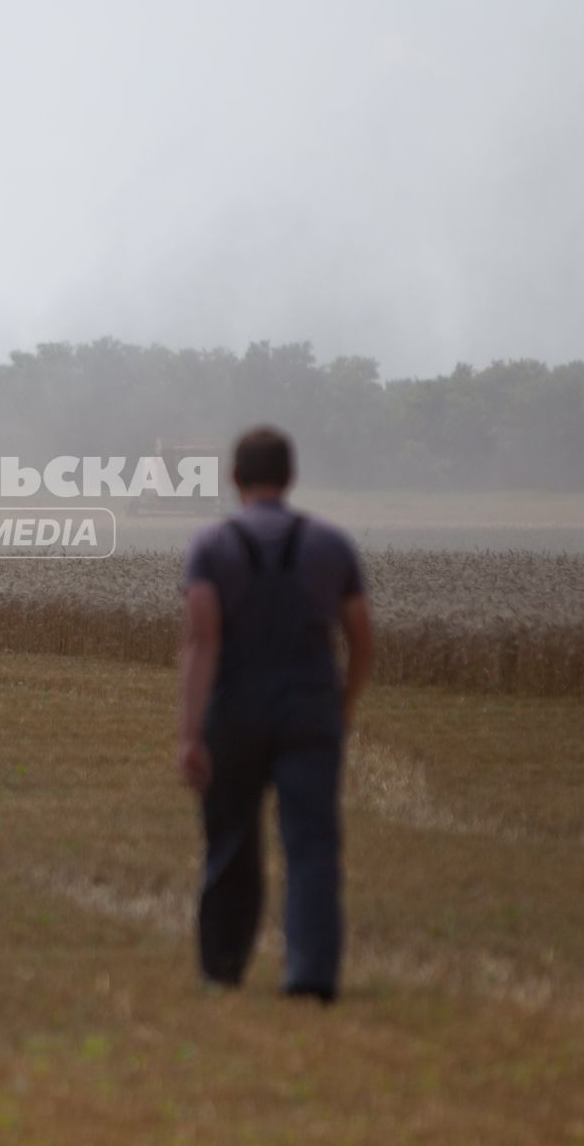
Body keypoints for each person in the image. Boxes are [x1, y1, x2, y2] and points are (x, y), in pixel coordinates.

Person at [176, 426, 373, 1002]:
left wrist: (190, 733)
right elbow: (360, 639)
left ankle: (222, 968)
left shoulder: (211, 546)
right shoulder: (332, 545)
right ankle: (311, 975)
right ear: (290, 478)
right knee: (311, 844)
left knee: (231, 839)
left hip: (235, 711)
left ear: (234, 478)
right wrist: (342, 705)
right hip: (311, 709)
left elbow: (202, 642)